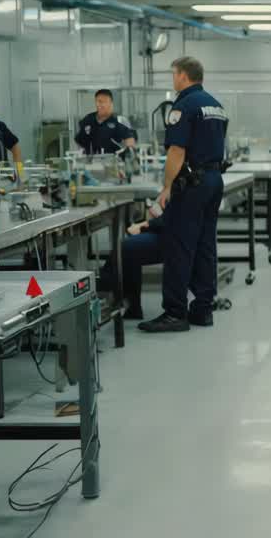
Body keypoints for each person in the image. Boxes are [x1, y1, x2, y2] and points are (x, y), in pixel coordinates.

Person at [137, 56, 229, 333]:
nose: (173, 79)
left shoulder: (183, 105)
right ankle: (203, 308)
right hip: (214, 180)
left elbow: (177, 151)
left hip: (191, 184)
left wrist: (167, 187)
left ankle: (175, 312)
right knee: (205, 245)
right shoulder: (217, 106)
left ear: (183, 76)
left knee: (179, 246)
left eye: (174, 74)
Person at [75, 89, 138, 155]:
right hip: (92, 162)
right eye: (97, 101)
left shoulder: (119, 120)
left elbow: (130, 142)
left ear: (111, 103)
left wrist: (125, 152)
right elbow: (80, 140)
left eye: (103, 102)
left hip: (114, 162)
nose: (99, 105)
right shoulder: (88, 119)